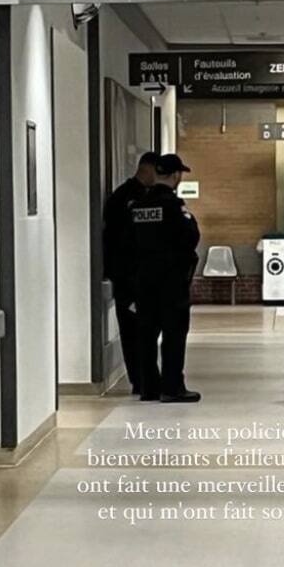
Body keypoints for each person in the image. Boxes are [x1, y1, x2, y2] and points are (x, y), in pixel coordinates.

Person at [128, 153, 201, 403]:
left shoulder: (137, 206)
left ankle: (149, 387)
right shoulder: (173, 205)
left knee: (146, 335)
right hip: (171, 282)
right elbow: (190, 237)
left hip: (143, 280)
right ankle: (172, 387)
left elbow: (127, 242)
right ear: (175, 175)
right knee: (174, 334)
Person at [102, 152, 160, 395]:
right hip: (127, 276)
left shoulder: (147, 196)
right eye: (157, 172)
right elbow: (116, 239)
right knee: (131, 329)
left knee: (145, 329)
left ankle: (146, 377)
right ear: (147, 169)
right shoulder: (123, 198)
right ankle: (139, 379)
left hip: (142, 275)